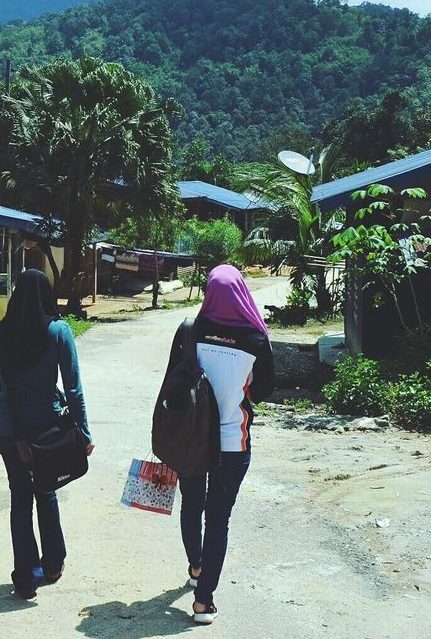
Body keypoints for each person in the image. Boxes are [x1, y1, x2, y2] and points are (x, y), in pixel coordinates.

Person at [166, 264, 274, 625]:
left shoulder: (189, 332)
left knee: (191, 504)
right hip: (233, 442)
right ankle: (203, 601)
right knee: (218, 519)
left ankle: (196, 565)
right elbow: (262, 391)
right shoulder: (256, 340)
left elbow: (172, 386)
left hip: (190, 441)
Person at [0, 269, 94, 597]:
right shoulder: (59, 331)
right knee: (46, 492)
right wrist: (85, 433)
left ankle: (26, 577)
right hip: (49, 432)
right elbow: (73, 388)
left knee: (20, 501)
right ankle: (52, 564)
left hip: (10, 433)